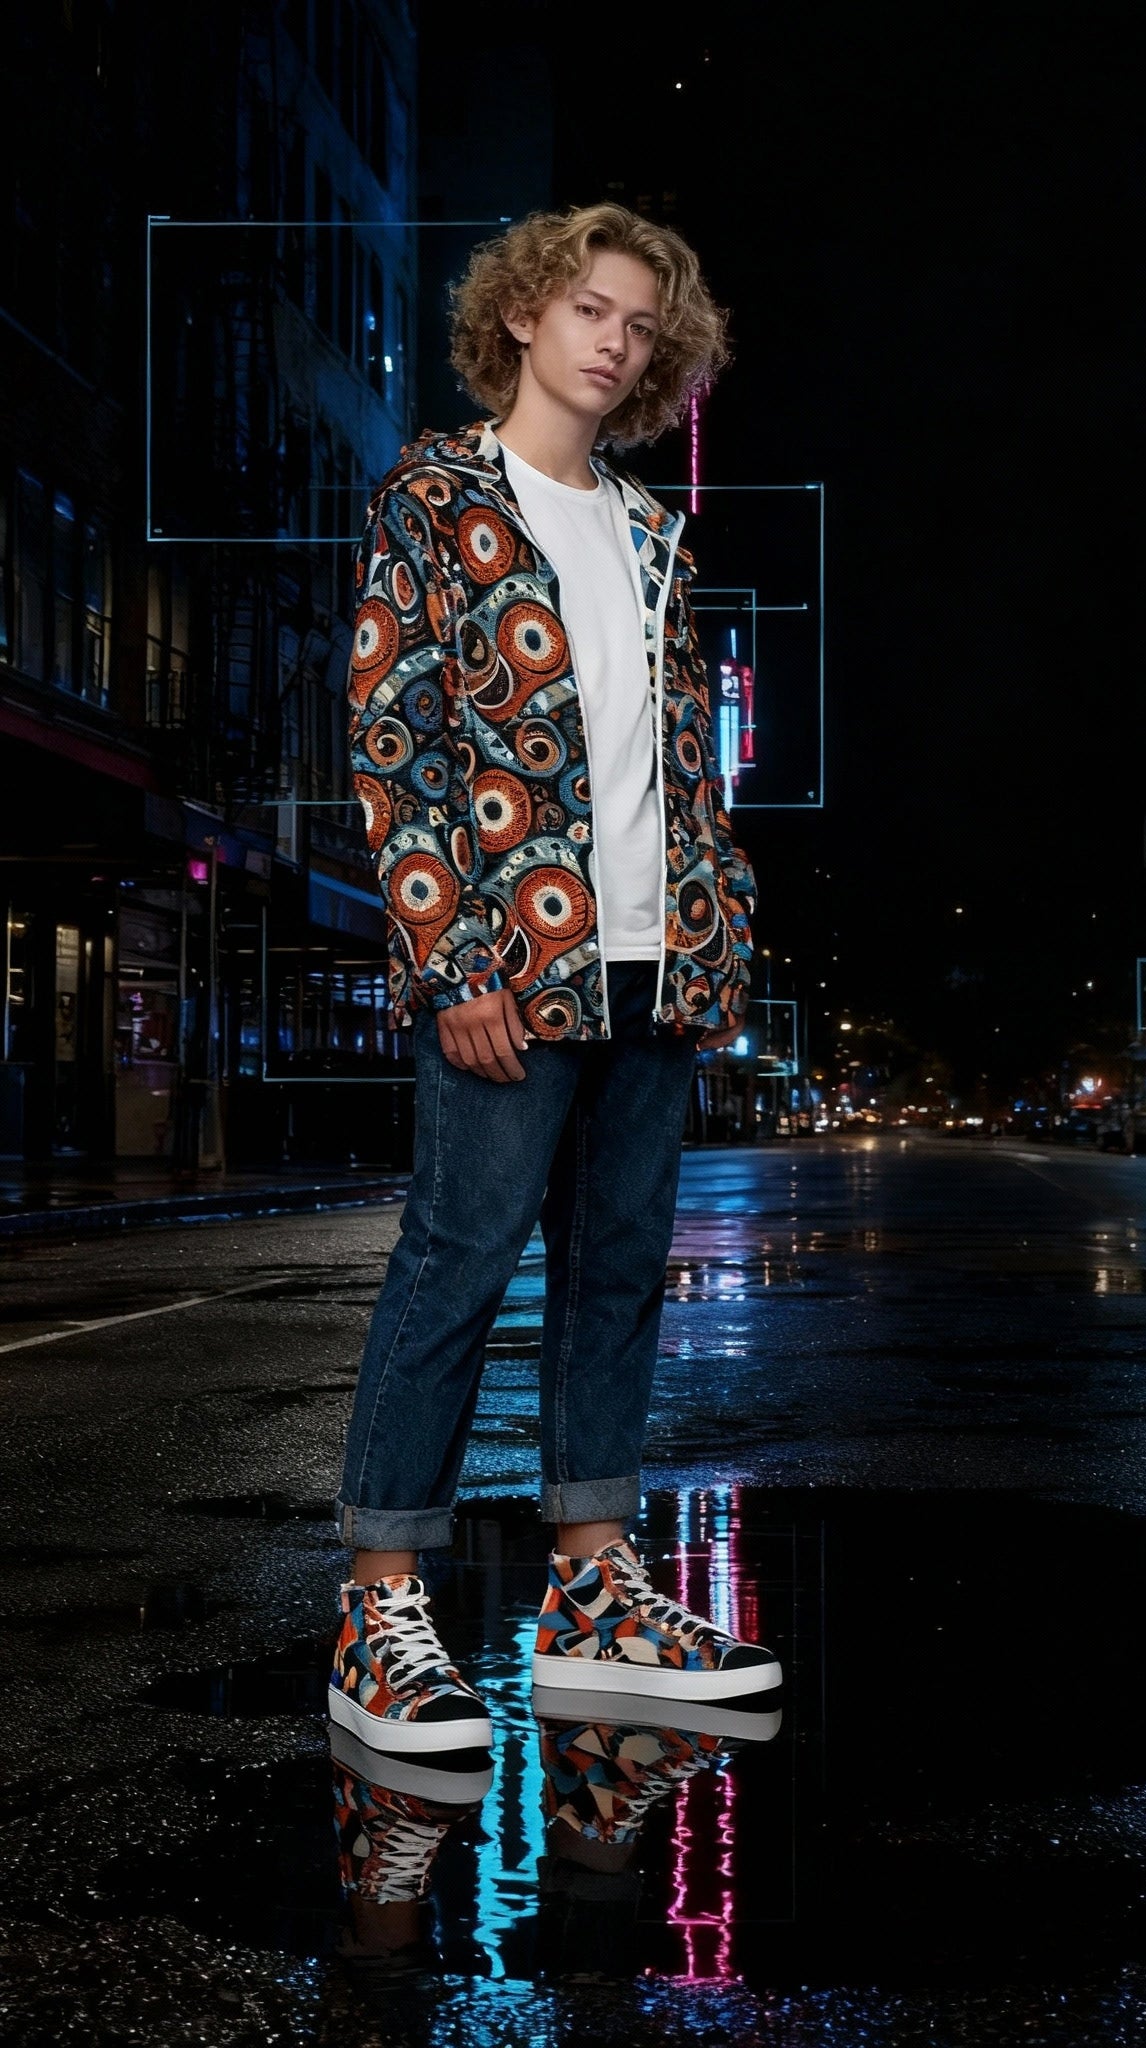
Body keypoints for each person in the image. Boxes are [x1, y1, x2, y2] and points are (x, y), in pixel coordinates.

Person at [329, 203, 779, 1752]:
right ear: (523, 313)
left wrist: (715, 933)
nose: (612, 340)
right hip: (512, 964)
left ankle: (592, 1585)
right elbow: (396, 741)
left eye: (641, 326)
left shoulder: (654, 533)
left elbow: (678, 772)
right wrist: (452, 949)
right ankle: (383, 1604)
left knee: (617, 1270)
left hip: (658, 964)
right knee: (458, 1260)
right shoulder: (438, 496)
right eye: (589, 307)